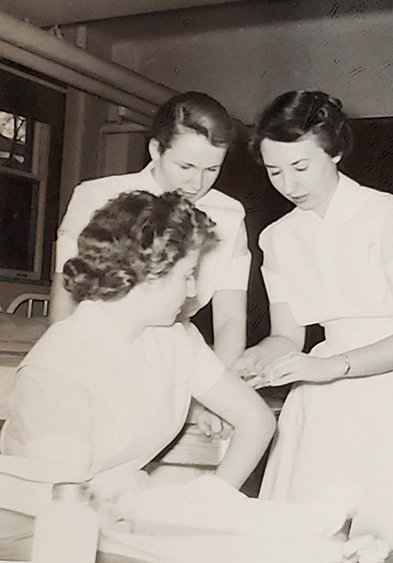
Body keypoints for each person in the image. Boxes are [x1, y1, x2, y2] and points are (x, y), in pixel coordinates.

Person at [234, 90, 393, 548]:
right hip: (325, 381)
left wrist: (330, 367)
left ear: (335, 152)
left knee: (386, 527)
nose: (289, 184)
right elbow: (286, 335)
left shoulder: (388, 217)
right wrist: (249, 363)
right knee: (309, 525)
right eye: (275, 171)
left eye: (301, 167)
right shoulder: (278, 238)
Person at [1, 191, 276, 499]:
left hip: (121, 510)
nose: (193, 290)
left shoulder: (171, 336)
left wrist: (212, 498)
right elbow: (59, 507)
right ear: (148, 275)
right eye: (187, 275)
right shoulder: (57, 369)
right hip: (40, 526)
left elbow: (256, 419)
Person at [50, 91, 250, 370]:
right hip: (96, 348)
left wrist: (211, 388)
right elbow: (65, 300)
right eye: (185, 166)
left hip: (175, 352)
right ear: (156, 150)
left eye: (211, 169)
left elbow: (230, 321)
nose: (196, 183)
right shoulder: (95, 197)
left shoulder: (230, 215)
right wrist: (66, 367)